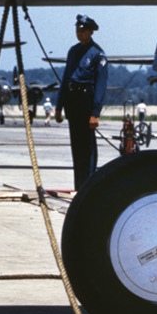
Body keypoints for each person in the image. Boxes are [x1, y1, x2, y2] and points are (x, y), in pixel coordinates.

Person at [55, 14, 107, 191]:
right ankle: (79, 185)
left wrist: (95, 112)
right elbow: (65, 78)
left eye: (83, 30)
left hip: (86, 101)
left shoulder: (97, 54)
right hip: (72, 101)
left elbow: (100, 85)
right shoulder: (73, 51)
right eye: (78, 30)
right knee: (76, 146)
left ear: (91, 32)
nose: (80, 33)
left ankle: (89, 185)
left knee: (88, 147)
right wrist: (59, 106)